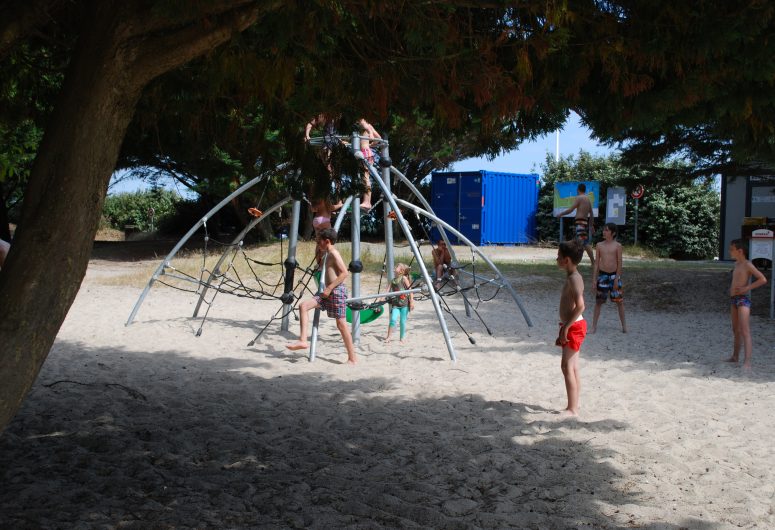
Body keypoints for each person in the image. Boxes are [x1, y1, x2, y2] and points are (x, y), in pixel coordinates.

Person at [287, 228, 356, 363]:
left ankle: (352, 358)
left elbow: (344, 273)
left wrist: (330, 288)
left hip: (336, 291)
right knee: (303, 306)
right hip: (325, 292)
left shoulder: (334, 253)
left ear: (327, 241)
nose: (318, 244)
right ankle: (302, 340)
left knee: (341, 324)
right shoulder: (325, 254)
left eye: (319, 242)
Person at [555, 239, 587, 417]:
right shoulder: (572, 276)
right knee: (573, 367)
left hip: (574, 326)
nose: (556, 259)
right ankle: (574, 405)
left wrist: (566, 326)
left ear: (566, 260)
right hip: (573, 324)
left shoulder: (575, 278)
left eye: (558, 256)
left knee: (567, 366)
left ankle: (572, 409)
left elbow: (581, 306)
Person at [725, 239, 767, 371]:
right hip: (733, 299)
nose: (729, 251)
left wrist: (746, 288)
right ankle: (735, 356)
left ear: (740, 251)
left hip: (743, 299)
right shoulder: (737, 264)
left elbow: (762, 279)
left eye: (731, 249)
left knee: (745, 330)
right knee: (735, 330)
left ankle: (747, 362)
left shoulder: (748, 264)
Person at [592, 223, 627, 333]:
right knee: (598, 301)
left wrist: (617, 278)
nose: (604, 232)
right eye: (604, 230)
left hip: (613, 276)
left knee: (619, 301)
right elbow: (597, 263)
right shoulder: (599, 245)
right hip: (602, 276)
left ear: (613, 233)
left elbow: (620, 263)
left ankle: (624, 326)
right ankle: (593, 327)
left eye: (606, 230)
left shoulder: (618, 246)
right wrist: (594, 279)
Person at [555, 183, 595, 266]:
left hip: (579, 222)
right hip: (584, 222)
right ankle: (574, 260)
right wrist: (591, 225)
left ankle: (593, 262)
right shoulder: (588, 199)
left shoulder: (579, 198)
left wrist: (561, 214)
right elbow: (591, 213)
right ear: (585, 190)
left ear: (578, 190)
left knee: (584, 243)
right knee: (578, 243)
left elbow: (571, 209)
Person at [385, 263, 415, 343]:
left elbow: (410, 291)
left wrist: (411, 301)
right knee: (393, 319)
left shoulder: (404, 278)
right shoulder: (393, 280)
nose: (395, 267)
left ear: (401, 271)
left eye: (397, 267)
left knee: (402, 321)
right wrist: (380, 299)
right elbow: (386, 291)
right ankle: (389, 337)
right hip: (396, 305)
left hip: (404, 305)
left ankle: (402, 338)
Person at [356, 118, 381, 211]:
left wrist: (370, 137)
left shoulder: (363, 122)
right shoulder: (368, 125)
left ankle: (367, 202)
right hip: (367, 152)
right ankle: (366, 201)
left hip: (364, 153)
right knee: (364, 177)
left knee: (365, 177)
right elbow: (378, 138)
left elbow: (372, 135)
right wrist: (371, 144)